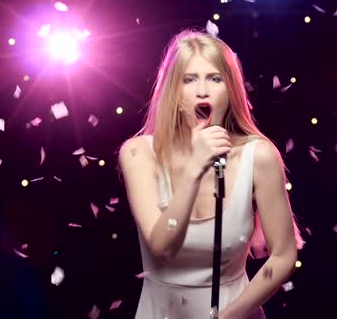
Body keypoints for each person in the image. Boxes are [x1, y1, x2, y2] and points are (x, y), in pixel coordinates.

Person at [118, 28, 305, 319]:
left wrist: (231, 315)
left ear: (230, 91)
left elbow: (283, 256)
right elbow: (161, 248)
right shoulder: (139, 153)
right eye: (189, 79)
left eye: (215, 78)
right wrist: (195, 167)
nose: (202, 90)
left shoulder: (259, 155)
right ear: (174, 93)